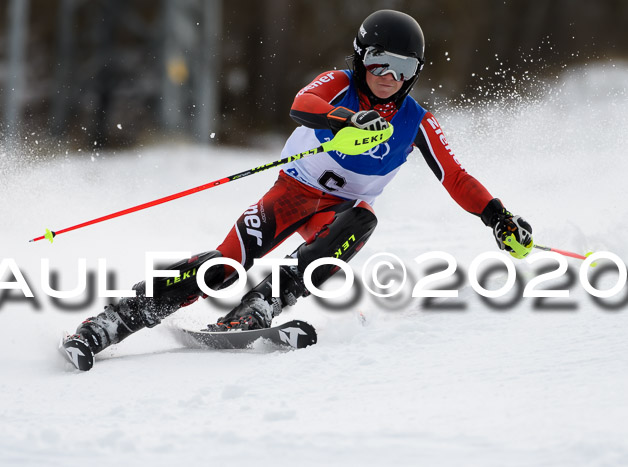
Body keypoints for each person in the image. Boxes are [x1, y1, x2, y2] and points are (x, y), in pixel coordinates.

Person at [66, 10, 533, 356]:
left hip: (337, 213)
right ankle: (110, 323)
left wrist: (498, 217)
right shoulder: (339, 83)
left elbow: (456, 176)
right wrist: (346, 117)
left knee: (362, 219)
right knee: (224, 265)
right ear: (360, 59)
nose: (389, 78)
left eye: (404, 69)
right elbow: (301, 103)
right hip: (292, 193)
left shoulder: (418, 122)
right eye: (380, 63)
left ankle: (260, 307)